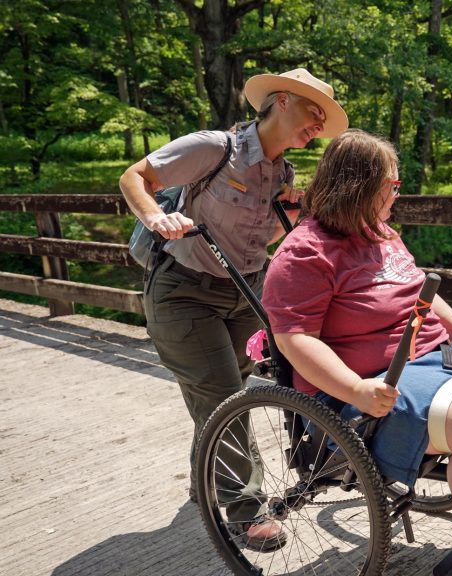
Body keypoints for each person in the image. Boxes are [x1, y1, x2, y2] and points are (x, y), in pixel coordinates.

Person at [261, 130, 452, 575]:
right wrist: (356, 389)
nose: (396, 194)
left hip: (431, 359)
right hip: (365, 389)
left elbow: (417, 290)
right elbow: (296, 340)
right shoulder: (303, 254)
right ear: (359, 188)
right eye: (391, 186)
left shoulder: (379, 232)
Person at [119, 68, 348, 550]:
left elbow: (259, 241)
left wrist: (290, 210)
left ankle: (205, 477)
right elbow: (134, 176)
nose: (318, 124)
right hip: (183, 292)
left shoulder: (282, 171)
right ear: (282, 101)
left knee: (225, 394)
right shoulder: (212, 148)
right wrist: (157, 216)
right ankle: (248, 512)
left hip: (244, 293)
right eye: (313, 112)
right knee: (226, 397)